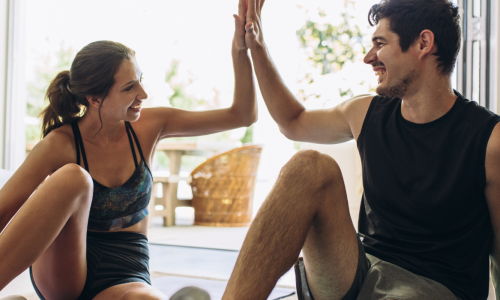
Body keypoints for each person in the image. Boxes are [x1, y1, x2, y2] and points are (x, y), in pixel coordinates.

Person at [221, 0, 500, 299]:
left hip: (434, 288)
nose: (369, 58)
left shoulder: (489, 139)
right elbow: (292, 121)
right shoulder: (366, 113)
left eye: (380, 43)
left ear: (423, 43)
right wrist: (257, 47)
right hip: (363, 272)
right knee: (309, 166)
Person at [0, 3, 256, 300]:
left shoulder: (151, 126)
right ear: (95, 97)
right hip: (65, 268)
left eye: (141, 81)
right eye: (130, 87)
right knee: (75, 178)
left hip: (126, 269)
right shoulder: (60, 144)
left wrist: (241, 49)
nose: (143, 95)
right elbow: (4, 209)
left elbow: (242, 115)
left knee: (150, 299)